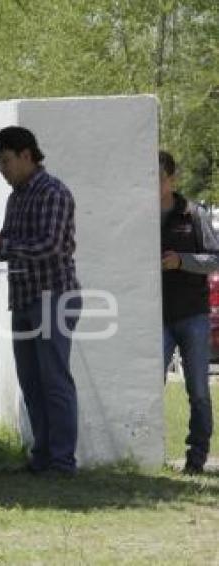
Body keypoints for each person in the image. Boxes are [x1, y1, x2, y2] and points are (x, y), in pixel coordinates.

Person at [0, 126, 82, 476]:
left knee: (54, 381)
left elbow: (49, 247)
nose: (2, 169)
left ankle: (62, 462)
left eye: (5, 161)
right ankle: (42, 457)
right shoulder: (16, 196)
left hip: (53, 296)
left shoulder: (53, 192)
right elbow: (10, 247)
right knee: (32, 383)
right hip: (23, 298)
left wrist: (0, 245)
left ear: (26, 155)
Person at [159, 150, 217, 474]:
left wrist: (182, 261)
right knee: (150, 386)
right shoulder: (141, 215)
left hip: (192, 315)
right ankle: (151, 455)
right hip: (156, 318)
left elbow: (215, 259)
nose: (152, 184)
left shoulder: (194, 213)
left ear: (172, 179)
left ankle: (197, 459)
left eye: (158, 178)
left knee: (197, 389)